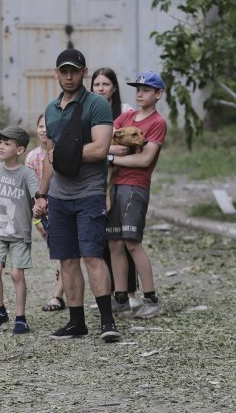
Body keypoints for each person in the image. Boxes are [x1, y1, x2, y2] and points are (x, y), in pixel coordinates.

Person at [33, 48, 121, 342]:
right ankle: (76, 322)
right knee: (66, 260)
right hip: (59, 196)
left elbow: (100, 148)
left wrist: (66, 154)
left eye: (75, 70)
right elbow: (49, 157)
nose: (69, 76)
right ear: (56, 73)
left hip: (89, 193)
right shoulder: (51, 109)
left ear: (84, 72)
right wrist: (42, 195)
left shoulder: (96, 104)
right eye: (64, 71)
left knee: (92, 255)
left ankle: (107, 321)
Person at [106, 71, 168, 319]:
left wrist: (112, 157)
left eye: (146, 89)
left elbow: (144, 159)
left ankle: (151, 298)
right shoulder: (127, 116)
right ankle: (120, 297)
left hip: (135, 186)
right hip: (114, 186)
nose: (140, 93)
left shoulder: (157, 123)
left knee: (132, 242)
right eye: (138, 89)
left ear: (158, 94)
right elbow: (104, 141)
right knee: (114, 242)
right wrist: (110, 151)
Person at [0, 125, 40, 334]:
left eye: (7, 143)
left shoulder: (27, 174)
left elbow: (38, 199)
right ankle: (0, 311)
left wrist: (40, 210)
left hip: (19, 234)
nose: (1, 146)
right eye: (0, 142)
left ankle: (20, 317)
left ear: (19, 150)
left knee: (16, 274)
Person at [90, 68, 139, 314]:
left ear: (114, 87)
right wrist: (109, 152)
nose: (100, 88)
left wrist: (110, 153)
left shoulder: (125, 112)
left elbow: (131, 145)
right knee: (103, 241)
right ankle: (108, 294)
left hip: (122, 181)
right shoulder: (87, 111)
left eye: (105, 84)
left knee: (123, 239)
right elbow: (93, 147)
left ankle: (128, 292)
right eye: (96, 84)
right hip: (96, 181)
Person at [25, 114, 66, 312]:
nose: (43, 130)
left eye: (47, 126)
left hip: (62, 208)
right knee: (58, 253)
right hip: (43, 213)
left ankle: (57, 296)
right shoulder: (32, 158)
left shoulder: (60, 153)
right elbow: (30, 192)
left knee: (66, 254)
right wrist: (36, 220)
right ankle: (62, 288)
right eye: (40, 126)